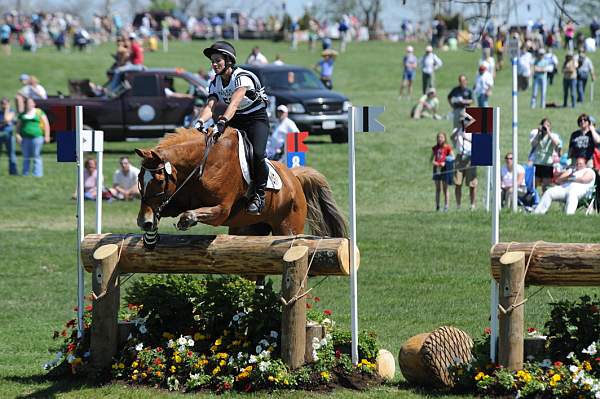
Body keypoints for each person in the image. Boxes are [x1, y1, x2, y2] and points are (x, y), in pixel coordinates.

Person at [196, 41, 270, 215]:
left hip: (255, 119)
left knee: (257, 154)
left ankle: (259, 194)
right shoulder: (215, 82)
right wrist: (198, 122)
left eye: (217, 61)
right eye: (212, 61)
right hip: (235, 118)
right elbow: (210, 107)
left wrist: (221, 123)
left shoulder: (242, 77)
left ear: (228, 61)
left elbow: (235, 102)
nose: (214, 64)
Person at [15, 97, 50, 177]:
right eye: (27, 103)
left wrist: (47, 136)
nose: (29, 104)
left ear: (34, 104)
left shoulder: (39, 112)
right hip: (25, 138)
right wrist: (17, 135)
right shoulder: (22, 114)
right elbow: (18, 126)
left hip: (37, 137)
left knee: (36, 155)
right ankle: (25, 173)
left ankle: (37, 174)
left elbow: (46, 124)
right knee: (26, 156)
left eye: (31, 102)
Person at [529, 118, 562, 192]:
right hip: (537, 163)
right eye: (544, 125)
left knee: (545, 186)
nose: (546, 127)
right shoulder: (538, 136)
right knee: (534, 184)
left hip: (547, 164)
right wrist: (538, 133)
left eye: (548, 125)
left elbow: (556, 144)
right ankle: (534, 200)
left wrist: (548, 132)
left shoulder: (553, 135)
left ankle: (545, 201)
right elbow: (533, 144)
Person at [451, 120, 477, 210]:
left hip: (470, 157)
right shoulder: (457, 130)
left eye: (467, 121)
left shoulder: (473, 132)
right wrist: (459, 130)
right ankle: (458, 205)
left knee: (472, 184)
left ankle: (472, 205)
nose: (465, 123)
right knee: (458, 182)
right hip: (460, 157)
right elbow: (452, 138)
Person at [430, 131, 453, 211]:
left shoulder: (447, 147)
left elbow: (452, 157)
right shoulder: (435, 148)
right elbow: (431, 159)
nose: (440, 139)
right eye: (439, 137)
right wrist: (435, 163)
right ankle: (437, 206)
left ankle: (446, 206)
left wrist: (445, 162)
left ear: (445, 138)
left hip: (445, 169)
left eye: (442, 137)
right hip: (437, 169)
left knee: (445, 188)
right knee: (437, 188)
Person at [0, 97, 18, 175]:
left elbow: (7, 119)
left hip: (9, 136)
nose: (4, 105)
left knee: (11, 154)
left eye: (5, 103)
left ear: (9, 104)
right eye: (2, 104)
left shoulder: (12, 112)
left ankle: (13, 172)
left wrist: (7, 110)